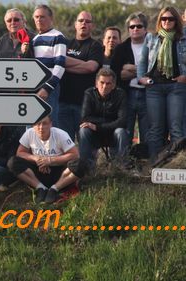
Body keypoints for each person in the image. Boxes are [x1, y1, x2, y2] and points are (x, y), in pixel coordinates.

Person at [137, 6, 186, 163]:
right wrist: (141, 79)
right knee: (156, 129)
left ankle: (178, 165)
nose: (167, 21)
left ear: (176, 20)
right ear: (159, 21)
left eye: (170, 19)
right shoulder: (151, 38)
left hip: (176, 87)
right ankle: (155, 164)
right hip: (154, 88)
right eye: (163, 19)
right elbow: (142, 62)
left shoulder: (183, 37)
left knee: (176, 127)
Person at [7, 115, 87, 204]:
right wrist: (36, 159)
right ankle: (40, 188)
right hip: (38, 171)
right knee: (12, 162)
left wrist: (50, 161)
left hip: (59, 172)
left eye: (44, 124)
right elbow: (20, 153)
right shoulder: (29, 133)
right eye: (38, 124)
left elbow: (75, 154)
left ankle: (55, 189)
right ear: (33, 125)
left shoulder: (60, 134)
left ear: (50, 124)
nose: (41, 127)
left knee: (81, 164)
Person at [58, 11, 104, 141]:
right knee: (64, 145)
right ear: (75, 24)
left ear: (92, 26)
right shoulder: (65, 44)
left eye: (88, 21)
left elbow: (91, 67)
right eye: (81, 20)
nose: (84, 23)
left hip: (85, 105)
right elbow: (58, 62)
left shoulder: (95, 46)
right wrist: (81, 64)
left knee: (86, 146)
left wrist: (65, 64)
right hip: (63, 103)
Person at [110, 13, 150, 156]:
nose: (135, 29)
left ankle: (146, 163)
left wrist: (129, 68)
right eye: (131, 26)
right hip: (126, 94)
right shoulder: (121, 48)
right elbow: (116, 74)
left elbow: (155, 71)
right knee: (125, 130)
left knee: (147, 131)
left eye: (139, 26)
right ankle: (124, 164)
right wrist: (142, 70)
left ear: (145, 29)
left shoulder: (154, 45)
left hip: (148, 94)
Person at [78, 68, 128, 169]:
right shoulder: (89, 93)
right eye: (102, 82)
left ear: (113, 85)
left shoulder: (121, 94)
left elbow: (122, 121)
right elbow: (84, 118)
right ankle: (85, 168)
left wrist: (98, 126)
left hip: (112, 133)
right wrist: (108, 122)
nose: (104, 86)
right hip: (95, 135)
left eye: (108, 83)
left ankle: (120, 168)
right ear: (96, 83)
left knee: (121, 132)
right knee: (84, 130)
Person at [31, 5, 66, 126]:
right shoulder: (34, 39)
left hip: (49, 89)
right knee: (32, 126)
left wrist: (47, 88)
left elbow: (60, 66)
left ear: (51, 18)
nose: (39, 20)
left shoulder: (58, 37)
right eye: (36, 17)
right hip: (33, 89)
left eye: (42, 17)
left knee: (49, 126)